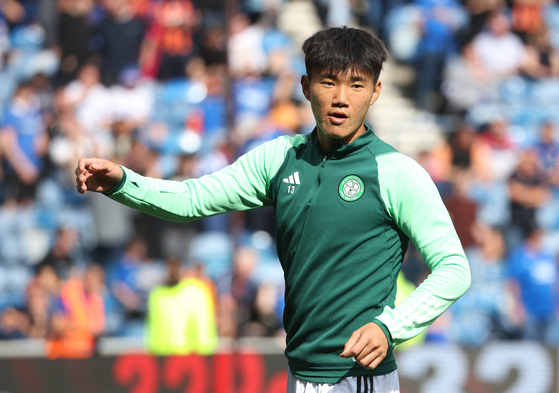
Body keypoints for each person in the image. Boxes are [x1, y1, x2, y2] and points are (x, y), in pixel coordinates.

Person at [75, 26, 471, 393]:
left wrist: (389, 328)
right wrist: (125, 182)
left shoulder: (397, 172)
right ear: (305, 85)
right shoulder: (280, 158)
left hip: (359, 378)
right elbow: (192, 198)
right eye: (328, 82)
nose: (341, 98)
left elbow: (454, 268)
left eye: (356, 85)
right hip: (299, 375)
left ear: (376, 91)